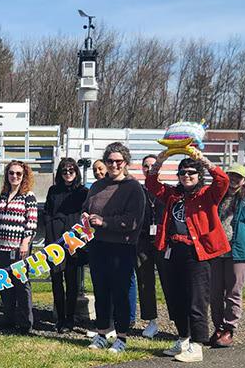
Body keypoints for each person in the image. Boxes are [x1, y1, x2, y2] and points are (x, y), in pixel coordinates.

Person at [146, 151, 230, 363]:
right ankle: (183, 338)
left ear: (199, 175)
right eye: (182, 172)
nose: (187, 176)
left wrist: (203, 159)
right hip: (172, 249)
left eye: (192, 172)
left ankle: (197, 344)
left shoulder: (207, 194)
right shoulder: (172, 195)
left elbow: (223, 180)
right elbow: (151, 183)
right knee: (175, 298)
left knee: (196, 299)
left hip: (197, 253)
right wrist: (161, 160)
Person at [83, 142, 145, 353]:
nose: (114, 165)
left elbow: (133, 220)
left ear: (125, 162)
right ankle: (102, 332)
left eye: (118, 161)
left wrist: (105, 222)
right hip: (97, 246)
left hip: (122, 247)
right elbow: (86, 207)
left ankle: (122, 337)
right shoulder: (97, 186)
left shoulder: (133, 188)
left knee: (120, 292)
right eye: (110, 161)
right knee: (101, 291)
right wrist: (84, 217)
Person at [209, 163, 245, 348]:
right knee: (214, 292)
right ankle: (217, 327)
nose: (234, 180)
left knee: (233, 292)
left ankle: (229, 328)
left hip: (240, 253)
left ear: (244, 180)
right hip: (217, 251)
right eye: (231, 176)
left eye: (238, 177)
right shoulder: (218, 196)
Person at [0, 160, 38, 334]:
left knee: (21, 283)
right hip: (1, 246)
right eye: (11, 173)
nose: (15, 176)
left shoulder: (28, 196)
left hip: (19, 248)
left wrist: (25, 242)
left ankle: (26, 322)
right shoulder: (4, 195)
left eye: (18, 173)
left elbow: (32, 222)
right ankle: (8, 318)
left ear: (24, 175)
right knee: (5, 283)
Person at [44, 158, 87, 333]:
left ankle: (70, 319)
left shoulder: (83, 192)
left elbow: (85, 216)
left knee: (72, 282)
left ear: (76, 172)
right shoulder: (53, 191)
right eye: (64, 171)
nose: (68, 174)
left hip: (74, 242)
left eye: (71, 171)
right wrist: (51, 229)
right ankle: (60, 317)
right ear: (59, 174)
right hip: (55, 240)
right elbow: (47, 212)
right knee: (56, 280)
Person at [137, 154, 165, 339]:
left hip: (163, 241)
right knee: (145, 282)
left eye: (152, 166)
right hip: (142, 241)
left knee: (170, 281)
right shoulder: (137, 191)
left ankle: (179, 320)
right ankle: (151, 321)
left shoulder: (166, 190)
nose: (149, 169)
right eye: (146, 166)